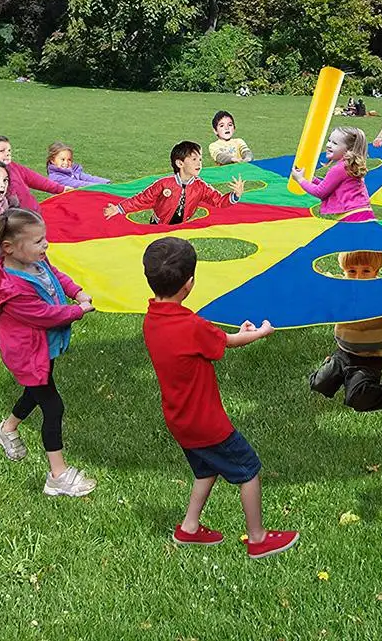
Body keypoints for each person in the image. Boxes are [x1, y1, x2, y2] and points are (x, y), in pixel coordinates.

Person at [141, 236, 299, 558]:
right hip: (206, 423)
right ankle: (257, 539)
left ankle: (188, 529)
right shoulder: (191, 324)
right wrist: (259, 333)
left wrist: (236, 334)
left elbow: (210, 342)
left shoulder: (152, 319)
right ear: (189, 284)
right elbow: (225, 342)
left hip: (179, 420)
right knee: (249, 469)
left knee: (206, 470)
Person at [0, 208, 97, 495]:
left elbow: (55, 275)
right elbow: (44, 315)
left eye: (44, 239)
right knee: (53, 406)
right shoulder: (11, 287)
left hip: (42, 348)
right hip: (28, 353)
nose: (45, 246)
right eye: (37, 241)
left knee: (35, 391)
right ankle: (58, 475)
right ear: (9, 248)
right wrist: (77, 310)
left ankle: (7, 429)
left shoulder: (35, 261)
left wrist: (76, 291)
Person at [309, 251, 382, 411]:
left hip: (369, 360)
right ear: (343, 270)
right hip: (343, 353)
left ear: (376, 271)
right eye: (352, 271)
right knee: (318, 384)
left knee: (359, 399)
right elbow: (320, 285)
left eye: (366, 271)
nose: (358, 277)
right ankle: (330, 363)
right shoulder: (340, 288)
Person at [103, 141, 244, 224]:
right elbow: (142, 199)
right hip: (158, 225)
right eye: (194, 159)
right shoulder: (164, 184)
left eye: (200, 159)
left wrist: (235, 196)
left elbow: (218, 200)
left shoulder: (200, 186)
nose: (199, 163)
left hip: (180, 227)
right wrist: (118, 208)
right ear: (180, 163)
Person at [291, 127, 373, 221]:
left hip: (352, 216)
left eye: (335, 143)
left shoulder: (339, 168)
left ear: (348, 149)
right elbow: (328, 186)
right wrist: (310, 178)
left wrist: (300, 180)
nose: (328, 145)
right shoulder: (348, 165)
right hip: (363, 212)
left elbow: (320, 192)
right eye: (329, 140)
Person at [0, 135, 71, 212]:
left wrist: (61, 189)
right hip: (19, 224)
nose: (8, 153)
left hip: (34, 215)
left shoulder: (13, 167)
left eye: (9, 150)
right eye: (2, 151)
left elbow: (36, 179)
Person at [46, 142, 110, 189]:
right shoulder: (56, 177)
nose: (66, 162)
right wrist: (99, 187)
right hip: (65, 204)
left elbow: (87, 177)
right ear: (52, 160)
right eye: (62, 159)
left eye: (69, 160)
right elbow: (77, 184)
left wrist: (105, 182)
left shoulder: (73, 171)